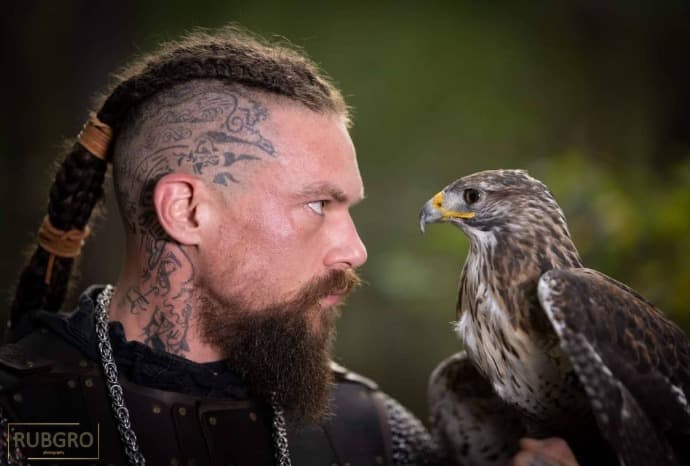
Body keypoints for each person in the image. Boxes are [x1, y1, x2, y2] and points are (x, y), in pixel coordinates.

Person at [0, 26, 578, 466]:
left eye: (348, 209)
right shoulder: (14, 417)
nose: (355, 251)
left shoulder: (373, 435)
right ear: (187, 210)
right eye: (317, 205)